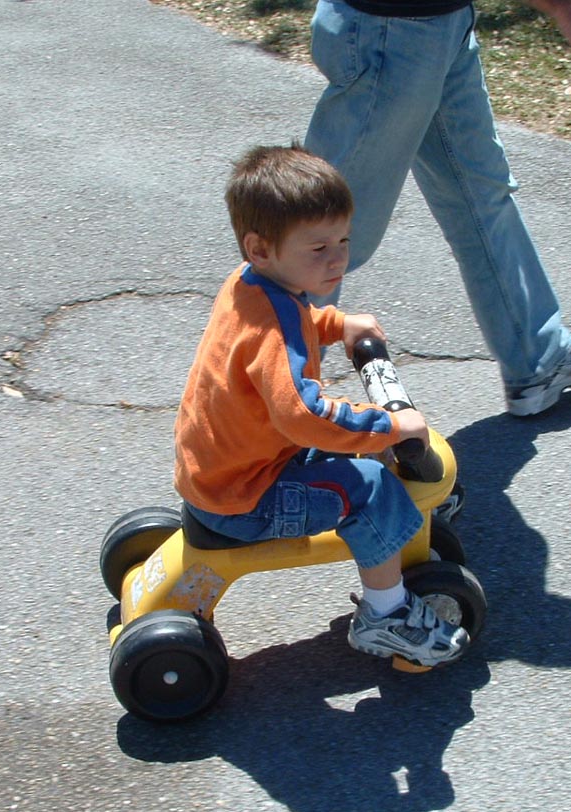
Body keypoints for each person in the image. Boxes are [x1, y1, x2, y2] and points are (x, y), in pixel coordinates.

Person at [174, 144, 469, 668]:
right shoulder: (273, 326)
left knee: (356, 449)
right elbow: (304, 416)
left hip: (222, 474)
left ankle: (397, 536)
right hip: (249, 499)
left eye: (344, 240)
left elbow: (295, 328)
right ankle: (386, 616)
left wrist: (337, 323)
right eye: (318, 248)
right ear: (260, 248)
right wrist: (389, 427)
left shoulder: (251, 286)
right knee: (371, 486)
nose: (337, 259)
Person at [304, 0, 571, 416]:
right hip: (391, 29)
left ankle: (537, 359)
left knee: (478, 194)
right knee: (318, 231)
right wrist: (569, 8)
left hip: (441, 22)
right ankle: (264, 404)